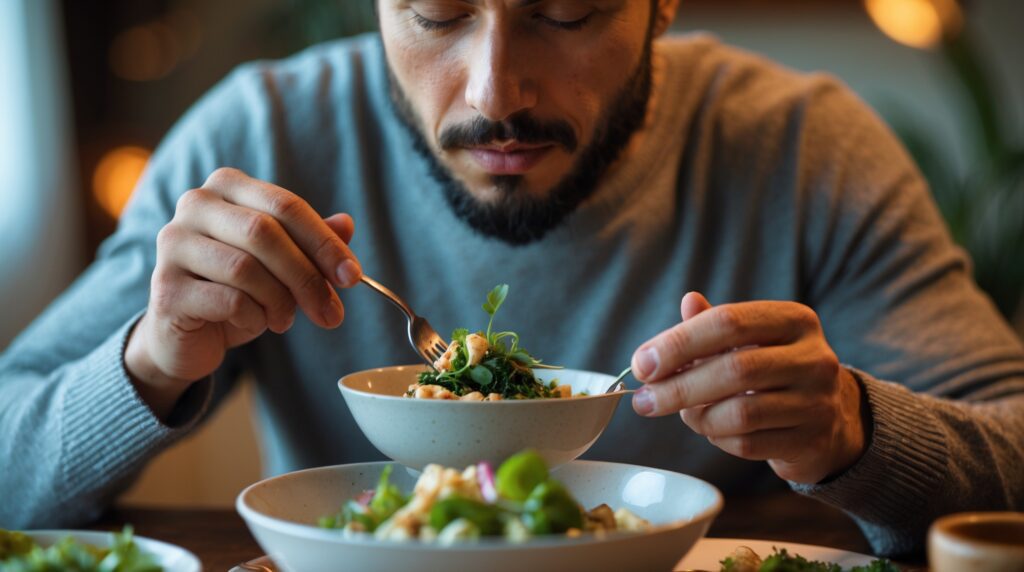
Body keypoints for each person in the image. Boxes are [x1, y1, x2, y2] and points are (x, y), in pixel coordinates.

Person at [1, 0, 1022, 556]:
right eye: (437, 13)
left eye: (564, 13)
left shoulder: (804, 146)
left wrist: (854, 428)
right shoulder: (257, 136)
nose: (495, 91)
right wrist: (149, 360)